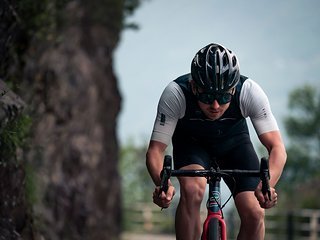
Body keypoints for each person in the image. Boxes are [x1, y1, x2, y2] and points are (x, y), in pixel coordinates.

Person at [146, 43, 287, 240]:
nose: (215, 105)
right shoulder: (176, 93)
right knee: (193, 191)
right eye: (207, 95)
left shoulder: (250, 92)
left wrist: (267, 185)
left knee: (255, 212)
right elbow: (155, 150)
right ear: (194, 87)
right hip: (192, 145)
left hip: (235, 146)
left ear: (233, 90)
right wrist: (162, 184)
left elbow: (277, 147)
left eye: (223, 96)